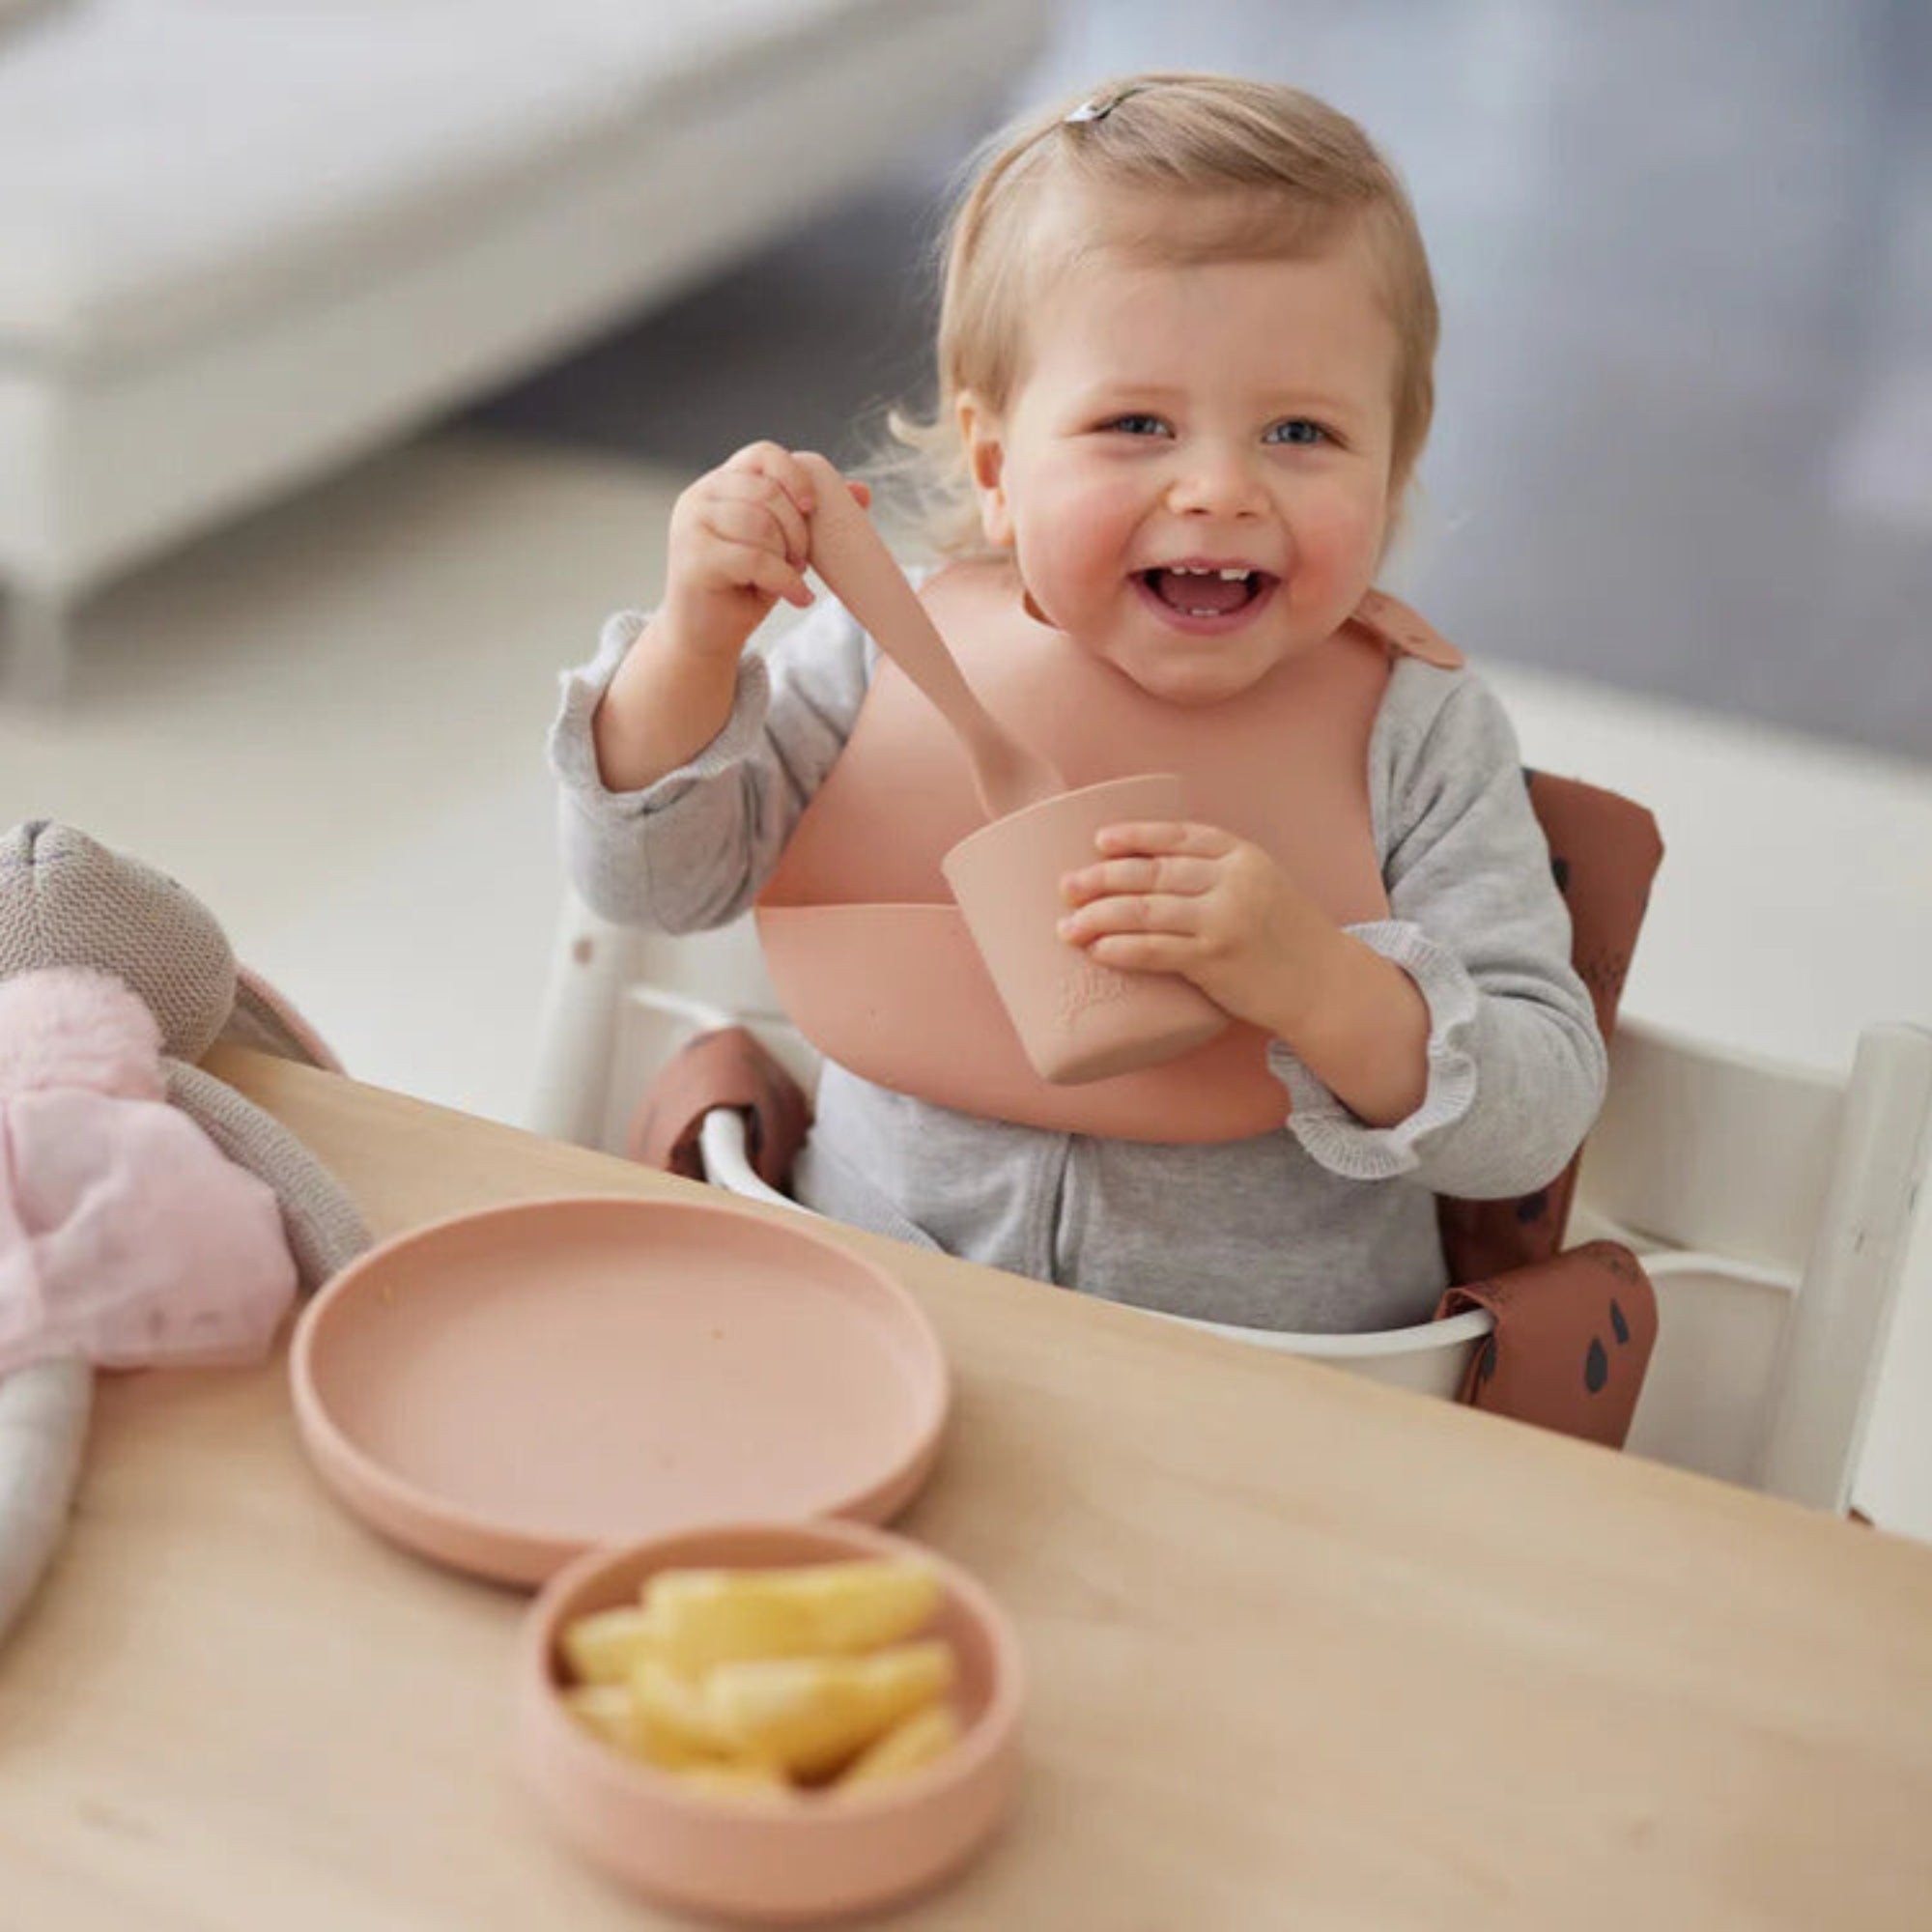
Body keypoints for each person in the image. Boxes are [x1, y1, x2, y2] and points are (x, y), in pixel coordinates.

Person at [549, 71, 1605, 1334]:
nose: (1218, 488)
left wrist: (1319, 984)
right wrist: (692, 647)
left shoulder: (1418, 734)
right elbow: (650, 888)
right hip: (874, 1315)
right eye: (1139, 422)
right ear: (998, 468)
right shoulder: (888, 656)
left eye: (1301, 434)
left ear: (1392, 467)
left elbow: (1534, 1123)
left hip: (1262, 1384)